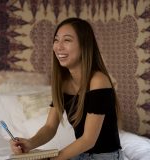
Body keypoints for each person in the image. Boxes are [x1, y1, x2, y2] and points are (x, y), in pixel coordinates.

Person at [10, 17, 123, 160]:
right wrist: (29, 143)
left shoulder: (98, 81)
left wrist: (54, 159)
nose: (58, 46)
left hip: (106, 156)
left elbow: (88, 140)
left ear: (84, 45)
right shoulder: (62, 83)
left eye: (67, 40)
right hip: (81, 155)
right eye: (56, 40)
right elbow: (50, 127)